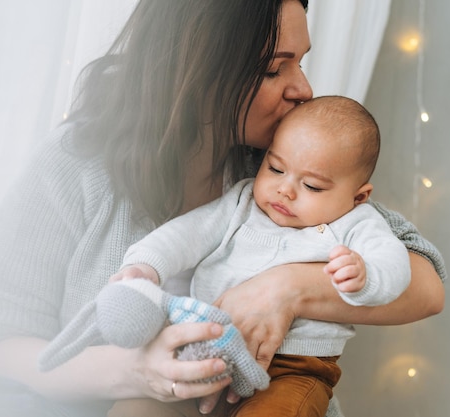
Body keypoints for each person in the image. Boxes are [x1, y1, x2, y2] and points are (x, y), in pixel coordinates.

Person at [0, 1, 446, 417]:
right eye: (272, 69)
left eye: (301, 63)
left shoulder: (281, 165)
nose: (302, 89)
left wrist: (287, 288)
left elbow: (426, 286)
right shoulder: (76, 163)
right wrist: (135, 372)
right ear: (196, 66)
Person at [85, 95, 412, 417]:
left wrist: (366, 275)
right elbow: (186, 235)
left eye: (311, 186)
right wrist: (146, 266)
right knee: (137, 409)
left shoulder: (357, 224)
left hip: (292, 370)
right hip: (207, 350)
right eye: (275, 168)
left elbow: (395, 264)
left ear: (358, 196)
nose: (285, 189)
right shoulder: (241, 203)